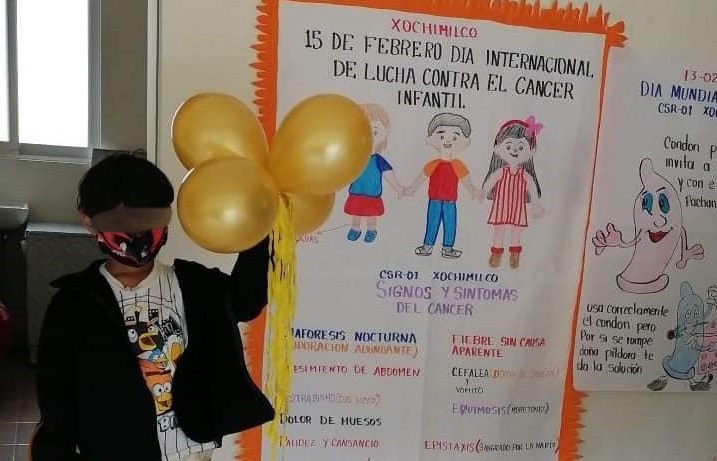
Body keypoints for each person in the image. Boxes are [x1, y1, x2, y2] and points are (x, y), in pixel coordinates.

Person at [31, 152, 274, 461]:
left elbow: (247, 301)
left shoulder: (196, 286)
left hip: (191, 452)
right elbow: (56, 397)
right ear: (89, 222)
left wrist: (260, 225)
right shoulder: (73, 304)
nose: (137, 232)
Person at [403, 112, 478, 259]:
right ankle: (427, 246)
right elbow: (421, 177)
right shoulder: (434, 164)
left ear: (465, 141)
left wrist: (473, 191)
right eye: (442, 136)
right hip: (434, 201)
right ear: (430, 139)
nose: (447, 141)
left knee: (450, 224)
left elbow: (466, 181)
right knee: (432, 222)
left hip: (450, 201)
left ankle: (448, 248)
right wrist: (411, 189)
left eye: (455, 137)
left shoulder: (458, 164)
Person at [480, 117, 544, 269]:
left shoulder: (524, 174)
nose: (514, 151)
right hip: (501, 207)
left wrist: (535, 204)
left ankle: (515, 255)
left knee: (516, 231)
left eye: (521, 147)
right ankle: (496, 253)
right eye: (508, 146)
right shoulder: (501, 172)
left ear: (531, 151)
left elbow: (532, 188)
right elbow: (490, 183)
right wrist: (482, 193)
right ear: (498, 148)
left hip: (517, 208)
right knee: (499, 230)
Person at [343, 103, 403, 244]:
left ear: (384, 133)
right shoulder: (355, 160)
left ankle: (371, 230)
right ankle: (355, 229)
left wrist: (398, 188)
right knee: (356, 215)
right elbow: (346, 173)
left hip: (372, 195)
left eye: (374, 132)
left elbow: (389, 174)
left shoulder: (378, 160)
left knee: (371, 216)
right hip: (356, 193)